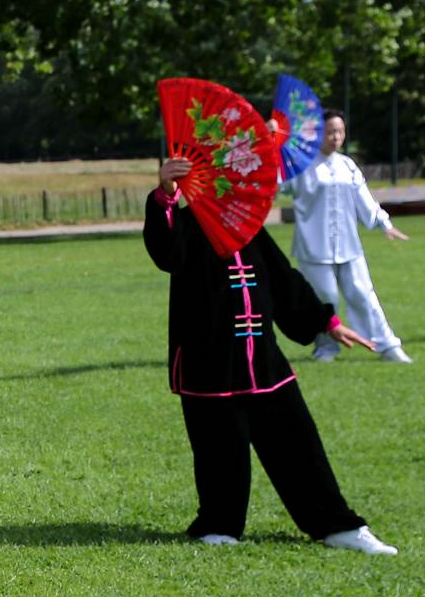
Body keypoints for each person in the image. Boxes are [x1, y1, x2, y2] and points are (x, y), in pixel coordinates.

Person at [145, 157, 397, 554]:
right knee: (219, 450)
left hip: (264, 364)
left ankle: (337, 526)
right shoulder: (188, 226)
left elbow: (282, 280)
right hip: (208, 364)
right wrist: (165, 195)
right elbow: (165, 252)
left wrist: (325, 323)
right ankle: (219, 524)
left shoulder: (249, 228)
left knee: (298, 444)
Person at [287, 110, 411, 364]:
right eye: (330, 132)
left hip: (349, 245)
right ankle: (326, 349)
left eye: (340, 132)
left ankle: (387, 346)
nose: (335, 137)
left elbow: (363, 198)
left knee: (363, 294)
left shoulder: (347, 165)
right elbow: (274, 182)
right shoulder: (299, 165)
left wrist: (382, 223)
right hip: (313, 247)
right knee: (326, 299)